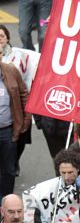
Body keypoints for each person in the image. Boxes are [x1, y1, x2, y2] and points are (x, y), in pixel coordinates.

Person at [0, 48, 30, 202]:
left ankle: (5, 203)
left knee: (9, 171)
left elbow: (24, 94)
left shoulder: (11, 71)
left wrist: (25, 121)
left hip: (7, 131)